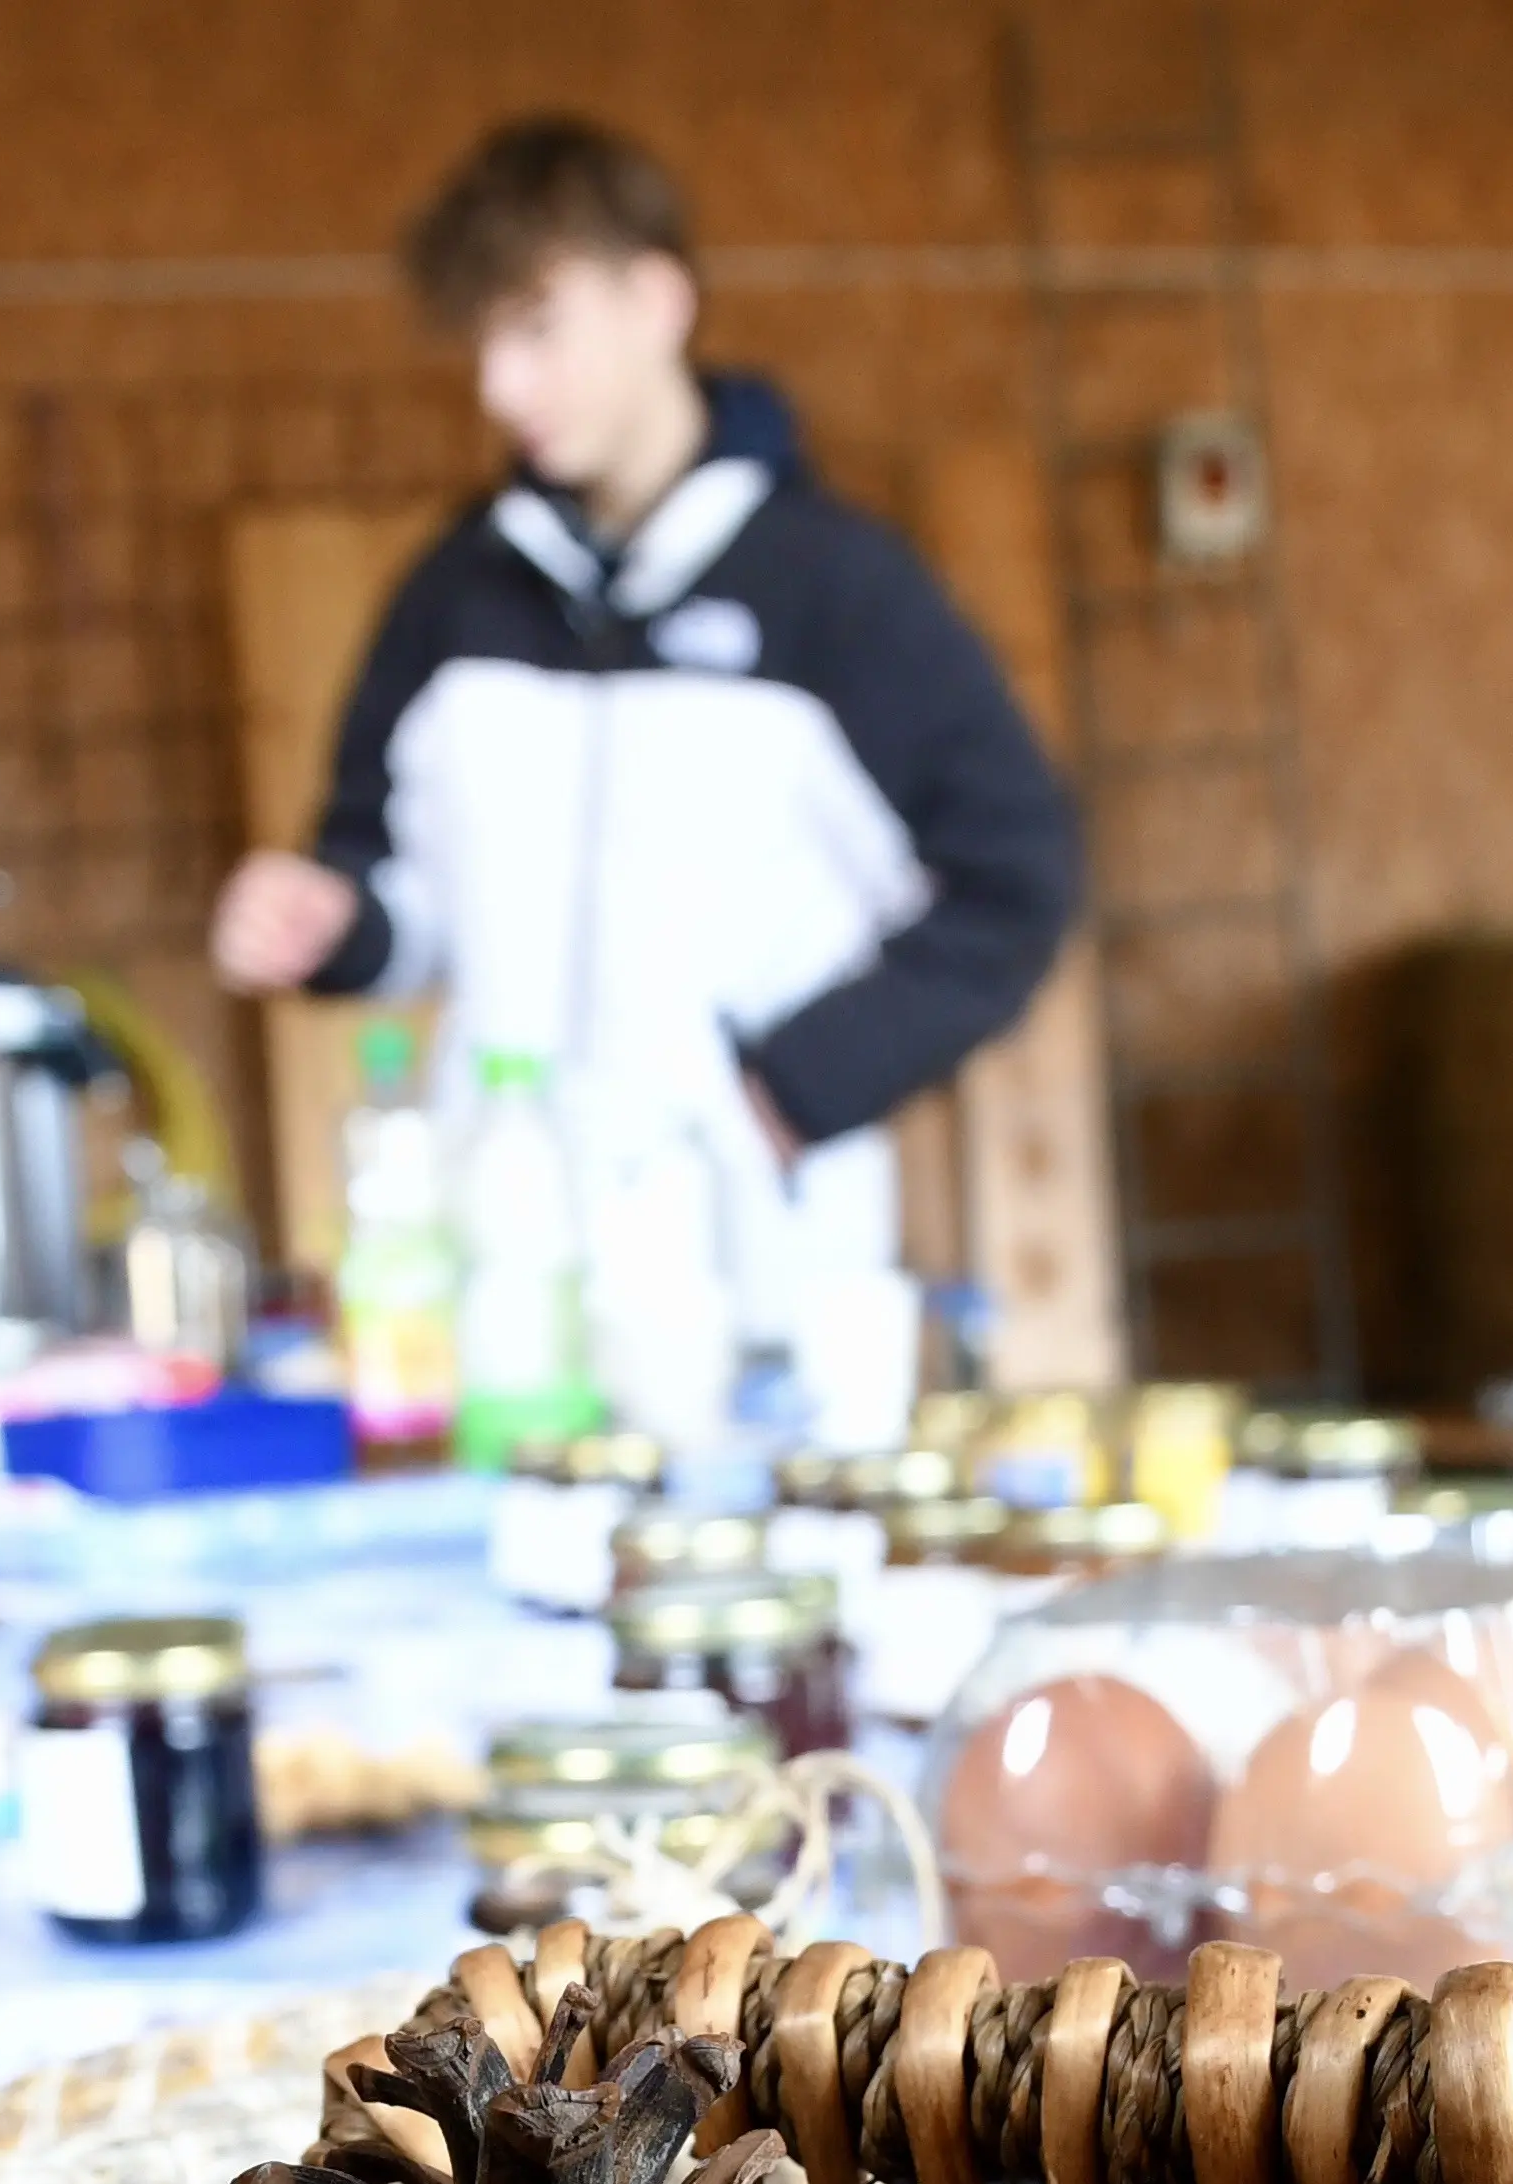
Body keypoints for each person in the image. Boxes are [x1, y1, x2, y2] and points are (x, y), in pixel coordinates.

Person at [212, 117, 1081, 1421]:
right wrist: (332, 920)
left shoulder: (840, 590)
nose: (502, 385)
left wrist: (789, 1088)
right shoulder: (452, 596)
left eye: (538, 329)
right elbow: (391, 887)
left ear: (658, 299)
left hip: (759, 1293)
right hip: (510, 1303)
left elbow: (1017, 881)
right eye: (483, 344)